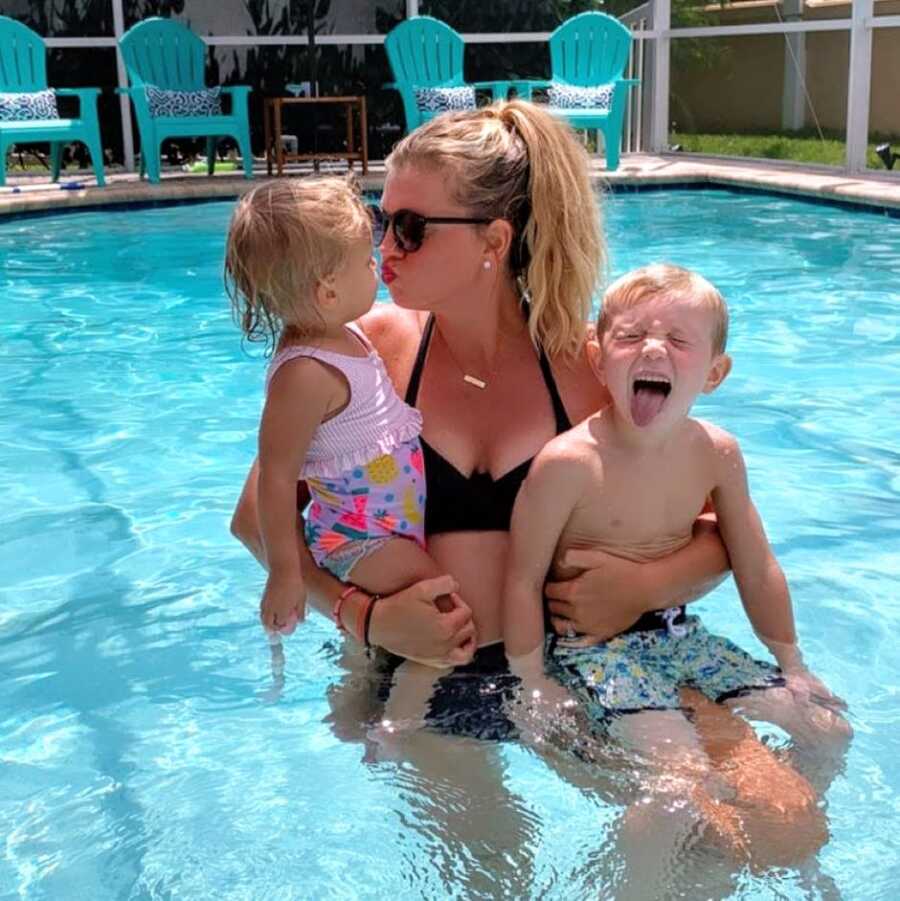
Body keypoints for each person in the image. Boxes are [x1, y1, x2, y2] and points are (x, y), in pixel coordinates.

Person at [228, 101, 841, 868]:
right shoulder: (365, 351)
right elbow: (257, 518)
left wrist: (640, 584)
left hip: (577, 671)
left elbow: (722, 535)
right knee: (498, 871)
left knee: (775, 831)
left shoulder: (590, 370)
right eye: (381, 220)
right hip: (426, 674)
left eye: (410, 227)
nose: (384, 246)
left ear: (494, 239)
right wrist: (366, 616)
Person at [503, 263, 851, 864]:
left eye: (679, 341)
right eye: (632, 336)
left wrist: (792, 663)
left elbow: (755, 561)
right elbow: (521, 577)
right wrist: (531, 683)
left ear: (714, 373)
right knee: (679, 784)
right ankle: (632, 880)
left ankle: (753, 845)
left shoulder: (716, 453)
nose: (654, 349)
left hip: (679, 635)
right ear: (598, 356)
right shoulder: (568, 464)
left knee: (829, 729)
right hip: (594, 651)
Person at [224, 177, 452, 650]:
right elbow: (276, 477)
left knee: (422, 627)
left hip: (386, 529)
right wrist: (287, 574)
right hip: (358, 541)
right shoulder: (305, 372)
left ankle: (394, 696)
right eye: (368, 262)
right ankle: (407, 707)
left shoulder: (345, 337)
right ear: (327, 291)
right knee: (443, 614)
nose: (381, 263)